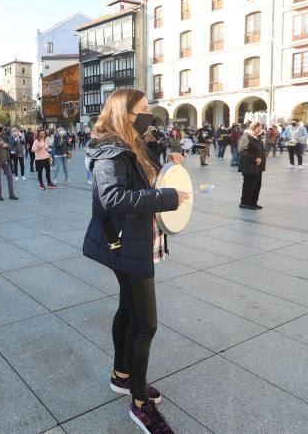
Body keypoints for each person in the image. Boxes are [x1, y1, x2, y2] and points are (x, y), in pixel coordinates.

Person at [82, 89, 189, 434]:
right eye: (143, 109)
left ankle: (122, 376)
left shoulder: (132, 143)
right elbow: (113, 197)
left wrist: (168, 171)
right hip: (125, 243)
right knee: (146, 324)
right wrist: (168, 196)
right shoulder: (110, 150)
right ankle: (140, 403)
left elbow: (143, 180)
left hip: (135, 239)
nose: (148, 114)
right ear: (124, 113)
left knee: (129, 311)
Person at [237, 122, 266, 210]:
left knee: (256, 185)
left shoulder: (256, 138)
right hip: (249, 166)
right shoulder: (246, 137)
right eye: (260, 128)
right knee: (249, 185)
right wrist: (255, 158)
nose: (261, 130)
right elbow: (242, 151)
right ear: (255, 128)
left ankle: (253, 202)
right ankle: (245, 203)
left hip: (257, 167)